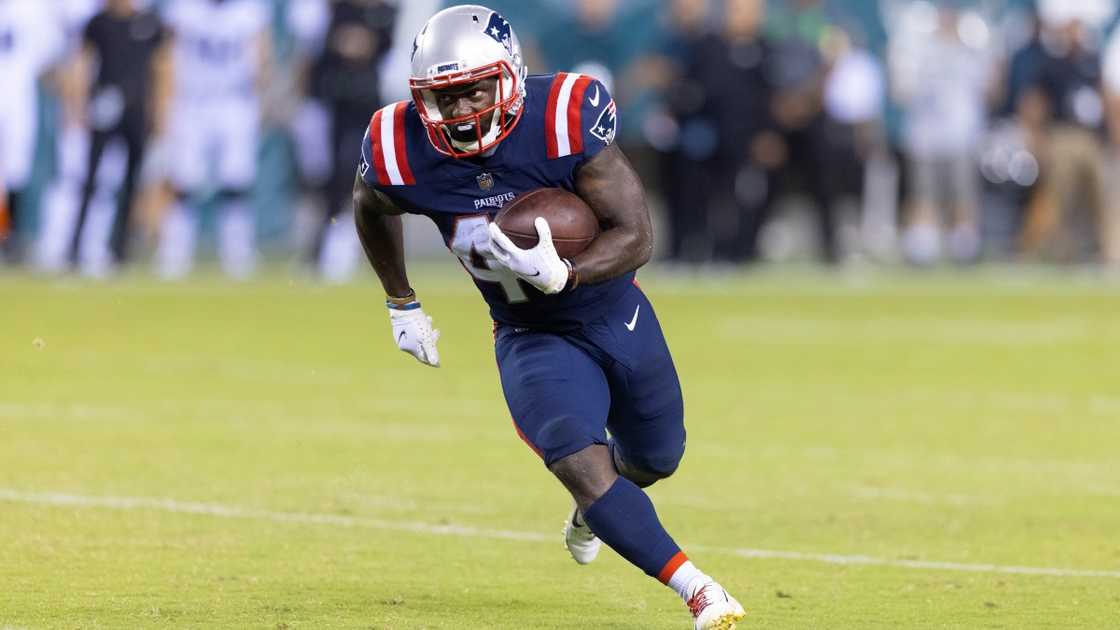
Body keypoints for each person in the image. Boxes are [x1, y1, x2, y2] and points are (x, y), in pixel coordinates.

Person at [352, 6, 745, 630]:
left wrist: (570, 272)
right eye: (443, 98)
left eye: (471, 92)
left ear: (509, 74)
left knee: (655, 459)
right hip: (529, 332)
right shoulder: (399, 144)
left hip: (613, 311)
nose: (458, 113)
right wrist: (401, 301)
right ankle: (700, 592)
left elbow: (638, 235)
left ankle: (598, 510)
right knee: (577, 462)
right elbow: (371, 204)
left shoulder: (563, 114)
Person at [155, 0, 271, 279]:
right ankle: (174, 255)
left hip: (234, 101)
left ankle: (237, 256)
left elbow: (262, 55)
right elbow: (167, 56)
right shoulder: (183, 9)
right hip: (192, 101)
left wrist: (261, 99)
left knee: (236, 182)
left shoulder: (248, 10)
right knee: (185, 181)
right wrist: (164, 103)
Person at [67, 0, 167, 273]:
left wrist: (160, 112)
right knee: (90, 180)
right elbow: (83, 61)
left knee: (132, 182)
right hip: (104, 105)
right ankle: (75, 247)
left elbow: (162, 67)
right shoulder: (98, 22)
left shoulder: (148, 23)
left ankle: (120, 250)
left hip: (136, 111)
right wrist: (77, 106)